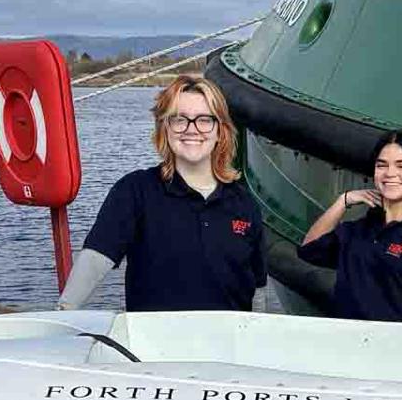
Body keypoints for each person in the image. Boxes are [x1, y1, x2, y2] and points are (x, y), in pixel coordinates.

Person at [57, 75, 267, 311]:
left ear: (221, 131)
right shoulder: (135, 191)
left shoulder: (244, 204)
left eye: (205, 120)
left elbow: (257, 290)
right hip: (152, 345)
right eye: (179, 119)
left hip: (228, 344)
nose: (192, 129)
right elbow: (96, 258)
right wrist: (64, 311)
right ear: (164, 128)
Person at [296, 129, 402, 324]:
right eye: (381, 165)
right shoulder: (356, 232)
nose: (390, 173)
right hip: (350, 347)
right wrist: (343, 201)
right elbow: (308, 249)